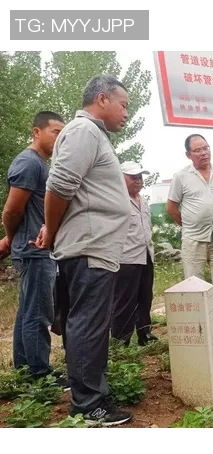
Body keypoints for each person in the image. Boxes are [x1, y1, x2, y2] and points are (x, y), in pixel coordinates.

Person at [34, 74, 133, 425]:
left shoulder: (92, 134)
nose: (126, 113)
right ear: (102, 99)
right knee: (88, 325)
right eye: (123, 105)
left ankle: (92, 394)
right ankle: (88, 405)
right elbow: (59, 186)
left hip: (95, 247)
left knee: (88, 324)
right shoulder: (84, 131)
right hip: (90, 247)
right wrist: (52, 229)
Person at [1, 111, 66, 386]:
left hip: (34, 248)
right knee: (38, 312)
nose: (60, 138)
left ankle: (25, 371)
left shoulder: (39, 163)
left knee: (29, 310)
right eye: (55, 132)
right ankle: (39, 374)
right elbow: (11, 210)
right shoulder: (30, 163)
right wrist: (10, 238)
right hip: (34, 248)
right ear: (37, 132)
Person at [167, 134, 213, 340]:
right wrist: (189, 225)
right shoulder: (181, 176)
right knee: (194, 284)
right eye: (198, 150)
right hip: (193, 238)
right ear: (188, 154)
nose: (204, 153)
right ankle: (199, 329)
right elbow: (172, 208)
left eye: (206, 148)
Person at [111, 161, 158, 347]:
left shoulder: (143, 200)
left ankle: (145, 333)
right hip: (126, 258)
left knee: (145, 297)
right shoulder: (117, 201)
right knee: (124, 300)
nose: (138, 180)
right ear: (121, 178)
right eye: (133, 177)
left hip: (146, 255)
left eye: (140, 177)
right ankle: (121, 339)